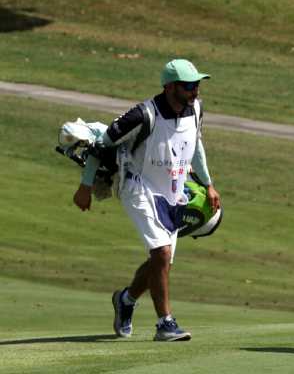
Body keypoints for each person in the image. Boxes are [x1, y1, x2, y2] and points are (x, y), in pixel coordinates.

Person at [73, 59, 221, 342]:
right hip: (137, 186)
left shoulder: (196, 110)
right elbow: (101, 146)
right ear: (169, 87)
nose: (195, 91)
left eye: (197, 85)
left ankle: (126, 300)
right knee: (162, 253)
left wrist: (209, 184)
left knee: (161, 261)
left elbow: (195, 144)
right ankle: (165, 323)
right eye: (189, 86)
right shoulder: (142, 115)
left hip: (174, 191)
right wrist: (85, 186)